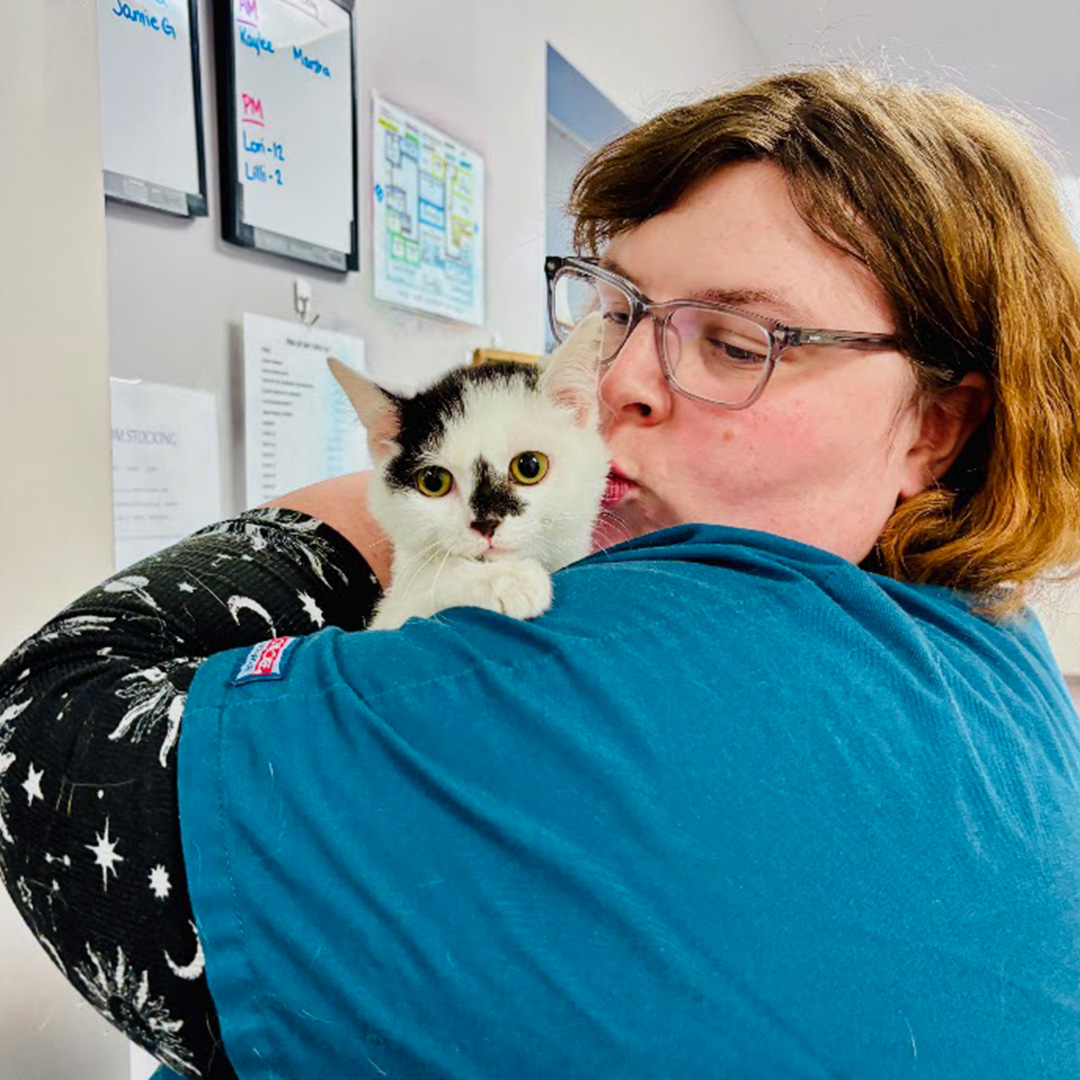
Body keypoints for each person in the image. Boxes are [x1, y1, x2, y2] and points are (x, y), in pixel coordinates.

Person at [3, 66, 1080, 1080]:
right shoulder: (988, 633)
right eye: (615, 309)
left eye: (737, 341)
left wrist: (422, 487)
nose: (614, 387)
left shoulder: (630, 662)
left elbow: (50, 726)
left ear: (936, 427)